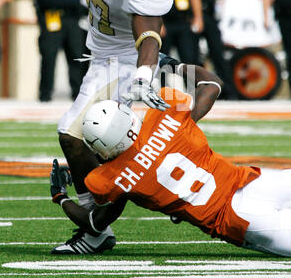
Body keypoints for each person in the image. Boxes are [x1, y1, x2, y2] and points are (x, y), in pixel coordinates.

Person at [30, 0, 174, 253]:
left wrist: (143, 75)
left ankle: (97, 226)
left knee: (73, 132)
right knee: (87, 140)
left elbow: (149, 35)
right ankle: (101, 219)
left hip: (124, 60)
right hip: (99, 53)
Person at [50, 63, 291, 258]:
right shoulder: (167, 117)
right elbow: (212, 83)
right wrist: (173, 66)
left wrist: (61, 197)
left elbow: (94, 223)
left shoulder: (111, 179)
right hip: (252, 182)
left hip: (236, 219)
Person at [33, 0, 87, 102]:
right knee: (49, 56)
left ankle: (78, 95)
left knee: (77, 55)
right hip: (52, 16)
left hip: (74, 17)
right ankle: (45, 95)